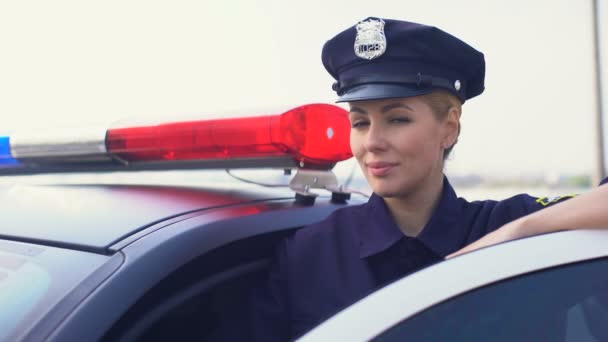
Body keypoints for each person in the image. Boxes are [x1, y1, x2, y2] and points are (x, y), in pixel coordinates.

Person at [234, 17, 608, 341]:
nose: (373, 143)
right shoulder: (311, 254)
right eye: (360, 122)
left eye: (397, 119)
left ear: (449, 128)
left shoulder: (507, 228)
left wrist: (519, 232)